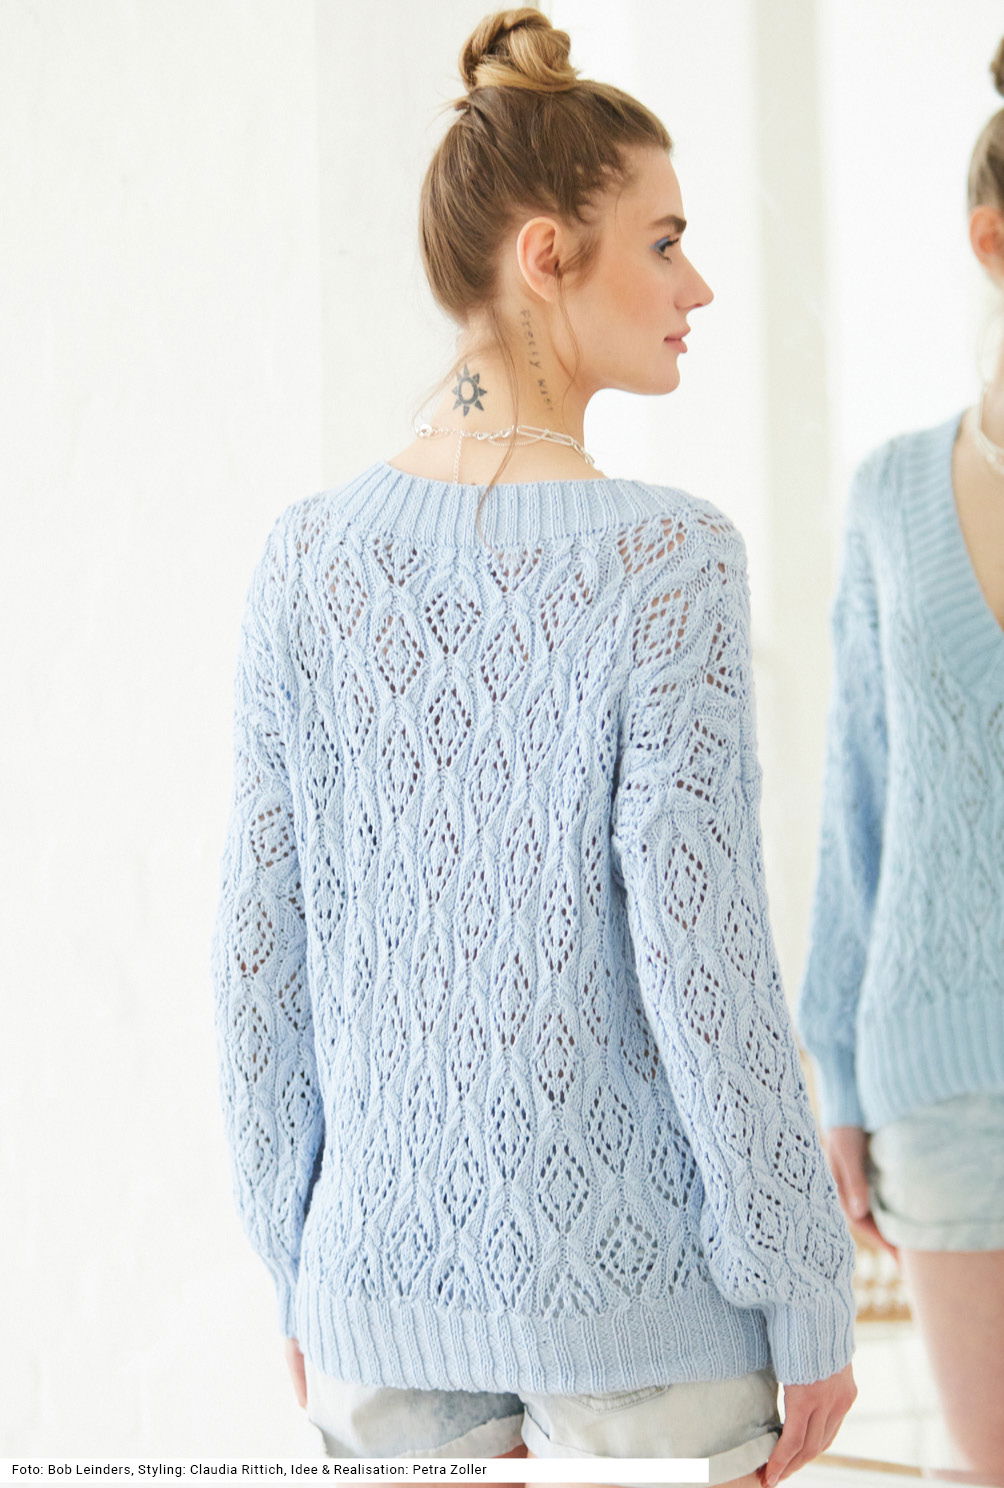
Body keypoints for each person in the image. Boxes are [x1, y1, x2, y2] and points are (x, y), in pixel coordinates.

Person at [212, 11, 857, 1487]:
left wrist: (295, 1263)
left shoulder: (305, 561)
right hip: (641, 1308)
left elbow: (257, 959)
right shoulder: (667, 563)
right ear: (548, 255)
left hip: (371, 1293)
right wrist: (803, 1284)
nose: (698, 286)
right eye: (664, 243)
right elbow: (707, 964)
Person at [797, 37, 1004, 1488]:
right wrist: (838, 1080)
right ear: (992, 241)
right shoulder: (889, 496)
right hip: (940, 1083)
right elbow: (854, 803)